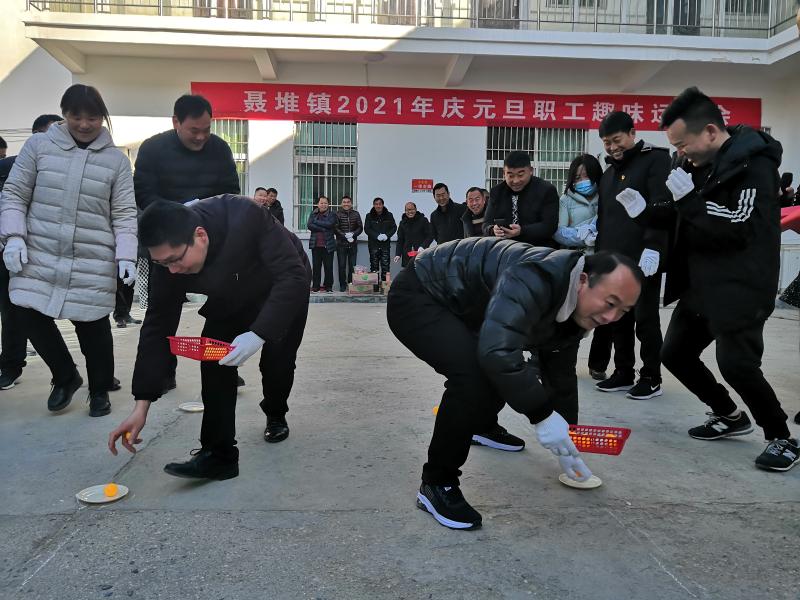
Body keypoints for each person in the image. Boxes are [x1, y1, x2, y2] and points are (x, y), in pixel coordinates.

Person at [387, 239, 642, 530]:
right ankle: (437, 483)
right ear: (583, 280)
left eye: (623, 311)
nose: (611, 318)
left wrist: (567, 438)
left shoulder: (575, 309)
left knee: (501, 365)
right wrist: (541, 415)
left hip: (467, 302)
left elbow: (559, 374)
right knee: (474, 378)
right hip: (421, 292)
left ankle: (481, 426)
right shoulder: (534, 279)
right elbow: (497, 353)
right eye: (610, 303)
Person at [108, 196, 311, 477]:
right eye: (163, 263)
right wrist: (141, 405)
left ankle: (275, 413)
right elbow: (157, 324)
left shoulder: (246, 215)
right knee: (214, 360)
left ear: (200, 235)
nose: (173, 270)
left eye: (175, 260)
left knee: (278, 361)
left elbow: (292, 277)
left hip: (282, 283)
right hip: (230, 291)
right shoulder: (168, 260)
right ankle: (218, 455)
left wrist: (258, 334)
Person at [659, 86, 798, 472]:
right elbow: (685, 216)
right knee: (675, 354)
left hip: (742, 285)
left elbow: (741, 223)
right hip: (701, 283)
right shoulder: (695, 165)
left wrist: (690, 202)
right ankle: (728, 414)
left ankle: (781, 437)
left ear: (709, 131)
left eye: (682, 144)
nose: (680, 152)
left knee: (737, 364)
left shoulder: (755, 165)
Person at [0, 84, 138, 417]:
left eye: (93, 117)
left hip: (92, 256)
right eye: (77, 116)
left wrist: (126, 254)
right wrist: (13, 236)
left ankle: (100, 390)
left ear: (102, 117)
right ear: (65, 114)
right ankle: (65, 376)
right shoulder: (38, 147)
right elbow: (15, 194)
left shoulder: (116, 161)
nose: (85, 124)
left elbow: (124, 212)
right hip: (40, 252)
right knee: (27, 313)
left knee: (93, 325)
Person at [133, 94, 241, 392]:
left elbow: (230, 193)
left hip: (208, 247)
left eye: (206, 129)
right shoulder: (153, 149)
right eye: (194, 130)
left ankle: (223, 368)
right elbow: (143, 194)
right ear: (176, 122)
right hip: (169, 249)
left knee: (224, 312)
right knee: (161, 316)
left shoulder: (219, 149)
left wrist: (201, 213)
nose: (201, 137)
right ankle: (160, 375)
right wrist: (178, 214)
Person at [589, 111, 673, 400]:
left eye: (617, 140)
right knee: (617, 319)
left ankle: (651, 377)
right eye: (607, 142)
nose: (613, 147)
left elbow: (664, 209)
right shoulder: (609, 174)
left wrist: (654, 247)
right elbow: (605, 220)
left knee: (645, 319)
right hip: (614, 260)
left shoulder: (656, 160)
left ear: (632, 133)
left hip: (643, 257)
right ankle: (623, 371)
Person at [0, 114, 62, 389]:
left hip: (53, 251)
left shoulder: (69, 169)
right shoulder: (8, 167)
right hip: (12, 252)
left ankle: (97, 373)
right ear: (35, 136)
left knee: (81, 315)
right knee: (14, 312)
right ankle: (11, 366)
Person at [483, 151, 559, 246]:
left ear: (531, 171)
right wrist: (492, 229)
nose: (515, 181)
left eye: (520, 175)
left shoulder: (546, 190)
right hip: (504, 248)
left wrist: (522, 231)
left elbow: (550, 226)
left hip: (538, 249)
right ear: (504, 173)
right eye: (510, 176)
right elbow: (486, 224)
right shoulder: (497, 192)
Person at [553, 154, 602, 251]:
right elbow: (559, 232)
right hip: (576, 254)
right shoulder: (565, 200)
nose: (583, 181)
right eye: (577, 177)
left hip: (603, 253)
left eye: (587, 176)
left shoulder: (606, 196)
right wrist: (583, 237)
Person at [307, 195, 337, 293]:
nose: (323, 205)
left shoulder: (332, 214)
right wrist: (323, 229)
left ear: (328, 204)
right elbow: (309, 225)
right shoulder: (313, 213)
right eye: (321, 203)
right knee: (316, 267)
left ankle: (328, 286)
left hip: (328, 245)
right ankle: (316, 286)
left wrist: (316, 222)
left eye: (325, 203)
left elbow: (329, 224)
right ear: (318, 204)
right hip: (315, 244)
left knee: (328, 267)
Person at [364, 197, 396, 284]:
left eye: (380, 204)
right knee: (374, 267)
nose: (378, 206)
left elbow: (393, 228)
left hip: (385, 245)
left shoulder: (389, 215)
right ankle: (375, 287)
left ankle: (384, 286)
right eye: (376, 204)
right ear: (373, 205)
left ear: (383, 205)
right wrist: (376, 236)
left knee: (385, 267)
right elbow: (367, 229)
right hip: (373, 245)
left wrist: (387, 235)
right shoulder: (369, 216)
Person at [334, 195, 362, 291]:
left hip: (353, 244)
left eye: (348, 202)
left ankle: (351, 284)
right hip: (341, 244)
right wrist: (345, 235)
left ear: (351, 203)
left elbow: (360, 227)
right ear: (341, 204)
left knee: (352, 266)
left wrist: (353, 234)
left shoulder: (356, 214)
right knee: (341, 266)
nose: (346, 204)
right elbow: (335, 228)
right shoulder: (337, 214)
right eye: (344, 202)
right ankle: (342, 285)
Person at [394, 202, 432, 267]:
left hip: (421, 254)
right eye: (407, 210)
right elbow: (400, 240)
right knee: (408, 272)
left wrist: (423, 246)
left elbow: (430, 235)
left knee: (421, 272)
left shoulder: (423, 220)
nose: (410, 212)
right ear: (405, 211)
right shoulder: (402, 223)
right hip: (407, 255)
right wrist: (398, 254)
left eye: (412, 209)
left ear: (415, 209)